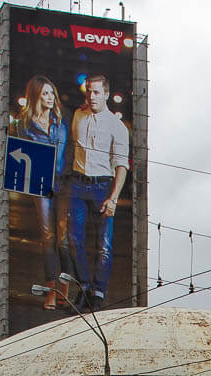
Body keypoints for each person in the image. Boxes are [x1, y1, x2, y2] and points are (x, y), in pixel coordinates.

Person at [65, 74, 129, 311]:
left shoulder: (117, 126)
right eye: (88, 92)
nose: (91, 97)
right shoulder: (78, 116)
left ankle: (98, 292)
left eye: (96, 92)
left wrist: (113, 198)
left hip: (103, 187)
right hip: (78, 184)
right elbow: (74, 144)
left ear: (106, 94)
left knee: (104, 244)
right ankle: (83, 286)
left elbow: (122, 165)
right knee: (74, 239)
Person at [14, 75, 71, 311]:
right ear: (36, 96)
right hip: (41, 182)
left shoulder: (61, 121)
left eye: (51, 93)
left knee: (64, 237)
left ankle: (65, 290)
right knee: (47, 236)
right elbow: (21, 154)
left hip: (64, 183)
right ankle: (51, 290)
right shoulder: (24, 124)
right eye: (45, 93)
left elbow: (68, 154)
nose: (49, 98)